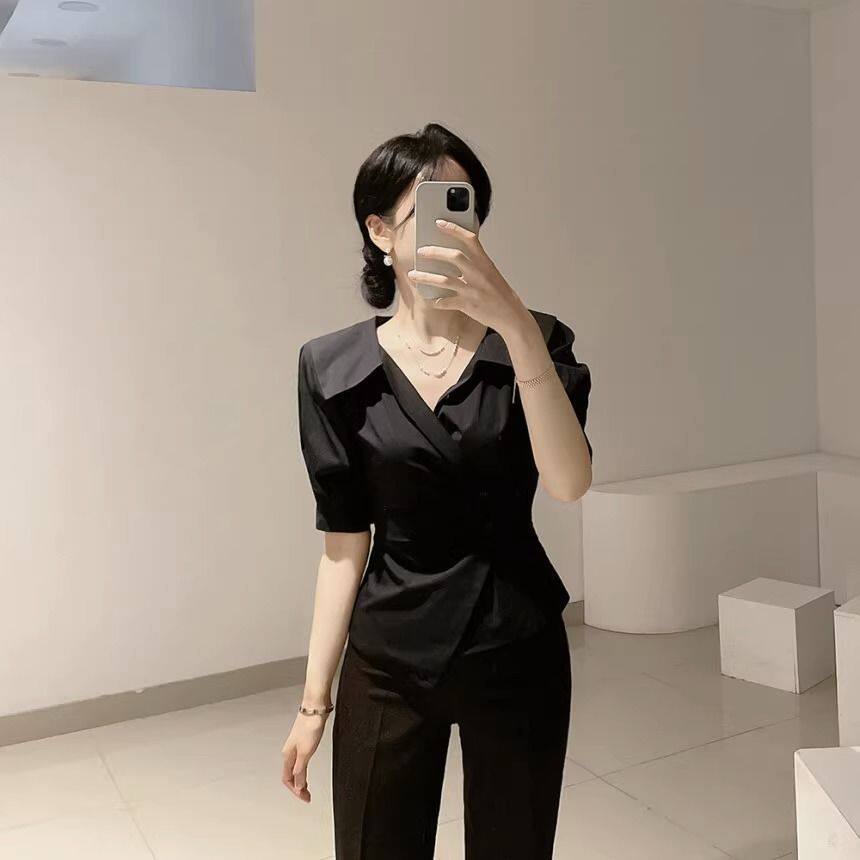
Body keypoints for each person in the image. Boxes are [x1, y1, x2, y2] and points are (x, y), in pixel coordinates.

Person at [282, 122, 593, 859]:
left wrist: (515, 324)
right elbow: (343, 545)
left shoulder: (537, 341)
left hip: (515, 644)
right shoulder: (332, 369)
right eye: (430, 211)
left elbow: (569, 482)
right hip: (388, 657)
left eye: (465, 209)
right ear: (380, 232)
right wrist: (314, 702)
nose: (455, 231)